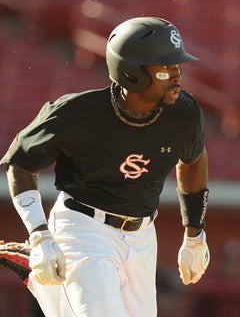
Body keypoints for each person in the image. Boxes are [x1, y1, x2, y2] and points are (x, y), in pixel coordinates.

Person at [0, 17, 210, 317]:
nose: (177, 74)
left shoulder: (184, 113)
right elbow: (21, 164)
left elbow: (193, 161)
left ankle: (44, 283)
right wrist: (40, 235)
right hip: (84, 227)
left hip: (142, 235)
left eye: (178, 65)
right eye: (166, 68)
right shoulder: (77, 112)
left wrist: (194, 234)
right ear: (132, 73)